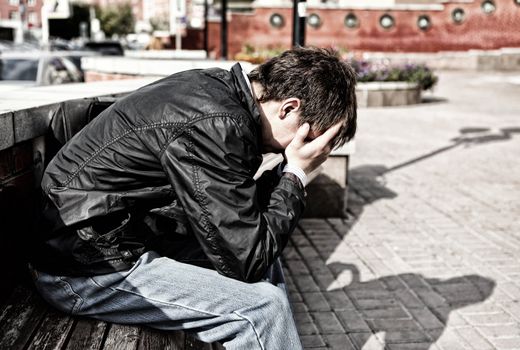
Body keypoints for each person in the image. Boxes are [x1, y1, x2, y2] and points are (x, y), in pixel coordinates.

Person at [29, 47, 357, 349]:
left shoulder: (217, 92)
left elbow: (243, 225)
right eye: (310, 137)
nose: (297, 148)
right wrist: (296, 173)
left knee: (267, 268)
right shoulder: (217, 123)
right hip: (85, 268)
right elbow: (248, 257)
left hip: (110, 240)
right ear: (289, 108)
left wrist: (289, 171)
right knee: (264, 309)